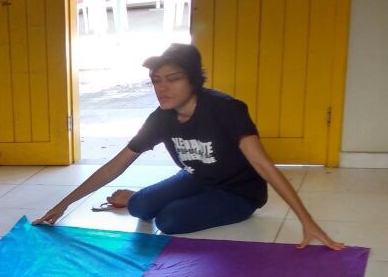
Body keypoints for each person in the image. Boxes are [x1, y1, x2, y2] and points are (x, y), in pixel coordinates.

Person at [34, 43, 344, 249]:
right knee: (141, 208)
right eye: (156, 80)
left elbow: (263, 165)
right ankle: (138, 198)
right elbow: (116, 163)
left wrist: (307, 221)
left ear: (193, 80)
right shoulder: (161, 118)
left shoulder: (227, 109)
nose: (162, 88)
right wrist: (63, 204)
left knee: (168, 221)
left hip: (238, 193)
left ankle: (151, 199)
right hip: (197, 178)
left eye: (173, 78)